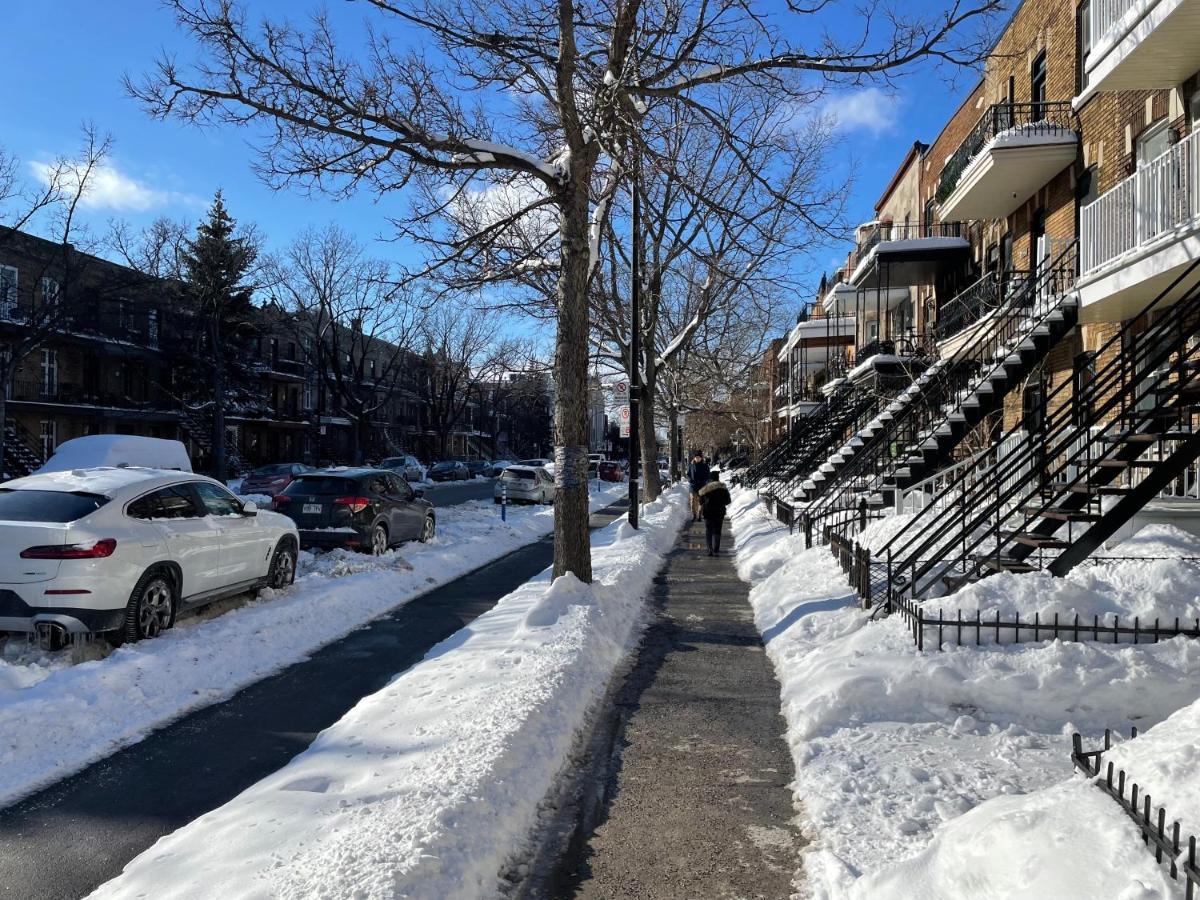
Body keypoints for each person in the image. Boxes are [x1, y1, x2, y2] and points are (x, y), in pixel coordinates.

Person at [698, 471, 732, 556]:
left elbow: (701, 501)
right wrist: (721, 502)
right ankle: (716, 550)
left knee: (709, 530)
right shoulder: (723, 488)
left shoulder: (705, 489)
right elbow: (728, 501)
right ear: (718, 478)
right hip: (719, 512)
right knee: (717, 530)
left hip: (707, 512)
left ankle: (710, 549)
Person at [686, 452, 710, 521]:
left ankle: (699, 515)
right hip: (693, 486)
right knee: (693, 501)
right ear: (694, 458)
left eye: (698, 457)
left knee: (701, 501)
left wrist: (703, 481)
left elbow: (707, 475)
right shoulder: (691, 465)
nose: (697, 458)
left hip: (702, 485)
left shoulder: (705, 465)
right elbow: (688, 474)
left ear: (701, 458)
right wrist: (690, 480)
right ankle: (694, 515)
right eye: (696, 457)